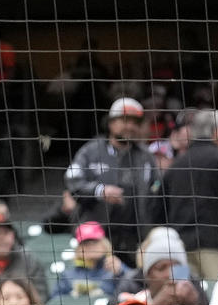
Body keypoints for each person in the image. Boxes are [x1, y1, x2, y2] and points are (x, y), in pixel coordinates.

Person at [148, 109, 218, 281]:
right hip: (216, 248)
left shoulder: (175, 166)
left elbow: (157, 212)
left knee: (186, 298)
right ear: (217, 131)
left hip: (181, 252)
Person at [64, 97, 158, 264]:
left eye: (135, 122)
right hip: (94, 240)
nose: (130, 126)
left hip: (133, 241)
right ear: (111, 123)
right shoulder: (90, 151)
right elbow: (72, 181)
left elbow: (157, 191)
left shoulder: (146, 157)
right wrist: (99, 191)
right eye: (124, 120)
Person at [51, 221, 130, 300]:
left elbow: (132, 290)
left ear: (104, 244)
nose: (90, 246)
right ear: (78, 248)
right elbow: (55, 301)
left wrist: (120, 273)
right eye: (85, 243)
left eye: (94, 242)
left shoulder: (117, 268)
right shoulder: (67, 275)